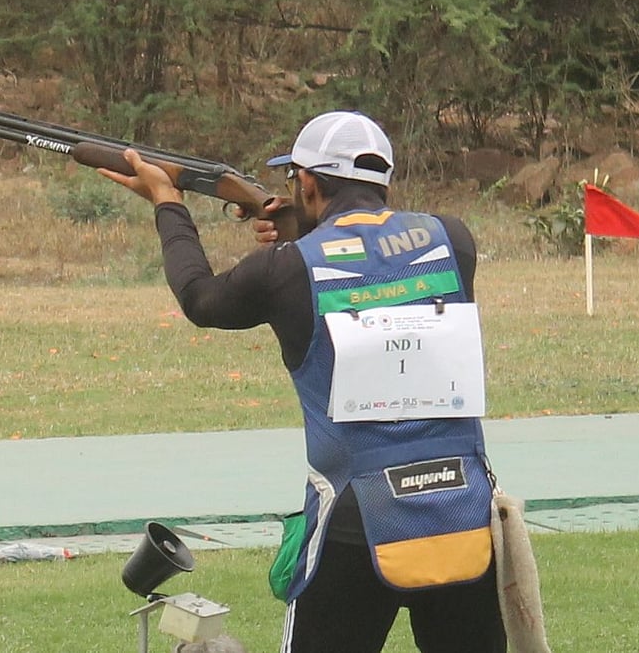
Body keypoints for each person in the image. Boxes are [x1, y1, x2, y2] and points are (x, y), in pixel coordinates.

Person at [99, 111, 506, 653]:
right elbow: (376, 256)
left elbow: (200, 298)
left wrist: (167, 203)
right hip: (462, 508)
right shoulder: (452, 239)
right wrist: (304, 229)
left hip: (354, 520)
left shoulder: (286, 269)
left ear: (308, 183)